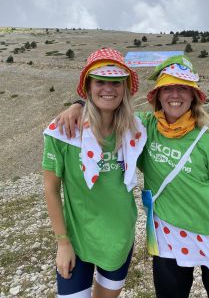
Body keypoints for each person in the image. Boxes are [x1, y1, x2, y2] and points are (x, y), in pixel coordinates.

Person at [56, 54, 209, 298]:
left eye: (182, 89)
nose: (174, 95)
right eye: (167, 88)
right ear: (157, 95)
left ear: (194, 96)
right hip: (168, 238)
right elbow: (108, 111)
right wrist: (78, 105)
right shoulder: (143, 128)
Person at [43, 48, 146, 298]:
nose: (108, 89)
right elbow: (51, 190)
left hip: (118, 240)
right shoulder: (63, 131)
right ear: (88, 86)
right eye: (100, 81)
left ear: (124, 88)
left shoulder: (137, 129)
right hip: (76, 242)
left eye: (115, 82)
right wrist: (62, 243)